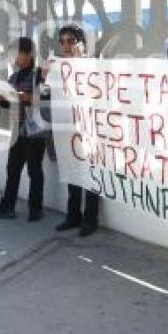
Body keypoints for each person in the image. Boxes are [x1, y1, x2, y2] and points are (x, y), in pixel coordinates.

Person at [0, 37, 47, 222]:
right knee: (12, 169)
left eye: (17, 54)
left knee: (34, 171)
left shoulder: (39, 75)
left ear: (29, 54)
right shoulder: (14, 76)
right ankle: (7, 206)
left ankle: (35, 209)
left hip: (34, 131)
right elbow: (11, 103)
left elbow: (39, 98)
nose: (14, 58)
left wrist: (16, 95)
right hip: (17, 130)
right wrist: (1, 98)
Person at [53, 24, 101, 237]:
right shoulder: (59, 67)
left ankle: (90, 220)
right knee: (73, 174)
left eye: (71, 41)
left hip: (90, 130)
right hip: (69, 129)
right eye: (62, 41)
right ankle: (73, 216)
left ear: (81, 43)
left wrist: (80, 59)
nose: (66, 45)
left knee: (90, 176)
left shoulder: (92, 65)